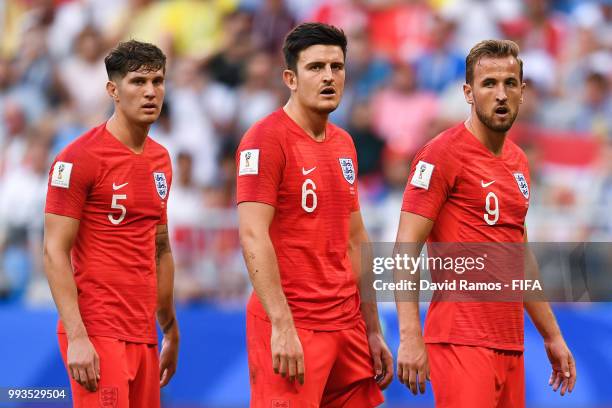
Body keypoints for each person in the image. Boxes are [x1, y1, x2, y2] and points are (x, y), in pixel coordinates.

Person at [394, 40, 577, 407]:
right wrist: (410, 334)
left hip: (509, 343)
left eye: (510, 83)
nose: (501, 94)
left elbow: (519, 257)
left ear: (522, 92)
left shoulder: (519, 162)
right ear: (468, 92)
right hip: (460, 339)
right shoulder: (441, 154)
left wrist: (552, 335)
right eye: (488, 83)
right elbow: (405, 248)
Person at [236, 22, 393, 407]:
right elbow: (253, 235)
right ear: (290, 77)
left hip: (347, 325)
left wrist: (373, 329)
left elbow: (357, 238)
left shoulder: (344, 143)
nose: (328, 77)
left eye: (336, 67)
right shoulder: (265, 140)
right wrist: (282, 324)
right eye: (315, 67)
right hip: (294, 324)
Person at [43, 40, 179, 408]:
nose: (151, 92)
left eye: (158, 81)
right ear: (113, 90)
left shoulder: (161, 159)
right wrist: (77, 337)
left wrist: (169, 327)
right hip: (97, 329)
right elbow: (54, 250)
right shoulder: (78, 159)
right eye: (138, 82)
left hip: (143, 331)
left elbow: (160, 245)